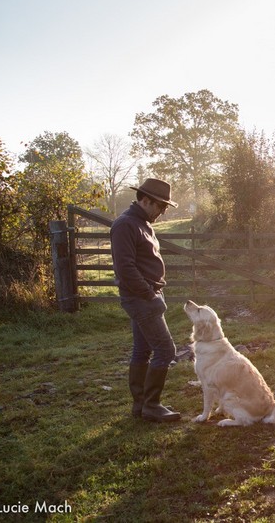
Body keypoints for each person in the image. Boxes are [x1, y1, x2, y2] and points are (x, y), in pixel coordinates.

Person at [110, 178, 181, 422]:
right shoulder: (125, 225)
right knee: (165, 350)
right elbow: (125, 268)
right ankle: (151, 405)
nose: (162, 212)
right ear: (145, 200)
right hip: (141, 298)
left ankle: (141, 406)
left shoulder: (141, 223)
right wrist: (150, 295)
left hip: (146, 295)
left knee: (143, 350)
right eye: (160, 206)